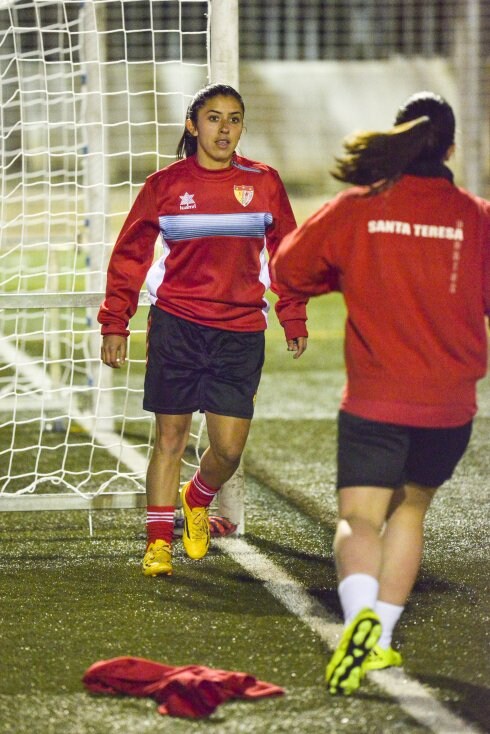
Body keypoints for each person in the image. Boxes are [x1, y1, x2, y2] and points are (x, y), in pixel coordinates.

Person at [271, 91, 490, 695]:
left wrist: (341, 274)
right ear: (449, 147)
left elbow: (288, 269)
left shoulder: (358, 209)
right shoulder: (475, 217)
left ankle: (360, 616)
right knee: (410, 511)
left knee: (360, 518)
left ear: (399, 138)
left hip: (375, 400)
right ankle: (381, 641)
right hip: (448, 406)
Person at [98, 83, 308, 578]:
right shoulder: (165, 185)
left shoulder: (264, 182)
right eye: (214, 118)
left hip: (239, 331)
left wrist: (292, 314)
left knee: (230, 449)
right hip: (176, 325)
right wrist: (116, 321)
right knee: (169, 439)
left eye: (234, 119)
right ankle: (157, 544)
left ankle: (198, 497)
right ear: (193, 125)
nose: (225, 129)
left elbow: (287, 255)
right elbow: (130, 256)